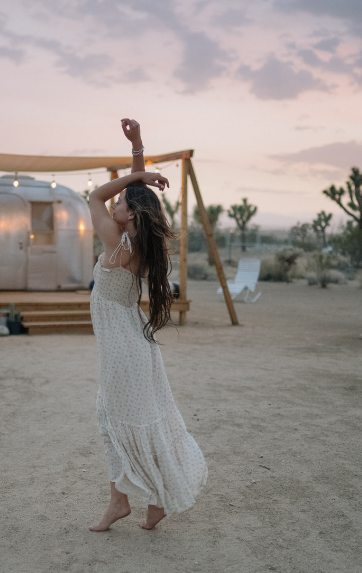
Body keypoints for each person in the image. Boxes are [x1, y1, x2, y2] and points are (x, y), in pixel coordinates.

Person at [86, 118, 207, 532]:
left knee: (114, 420)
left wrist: (138, 174)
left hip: (123, 346)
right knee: (127, 419)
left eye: (122, 202)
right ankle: (149, 502)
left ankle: (121, 501)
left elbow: (93, 195)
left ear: (129, 215)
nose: (114, 202)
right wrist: (138, 147)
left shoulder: (114, 241)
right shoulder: (140, 244)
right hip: (131, 342)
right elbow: (127, 196)